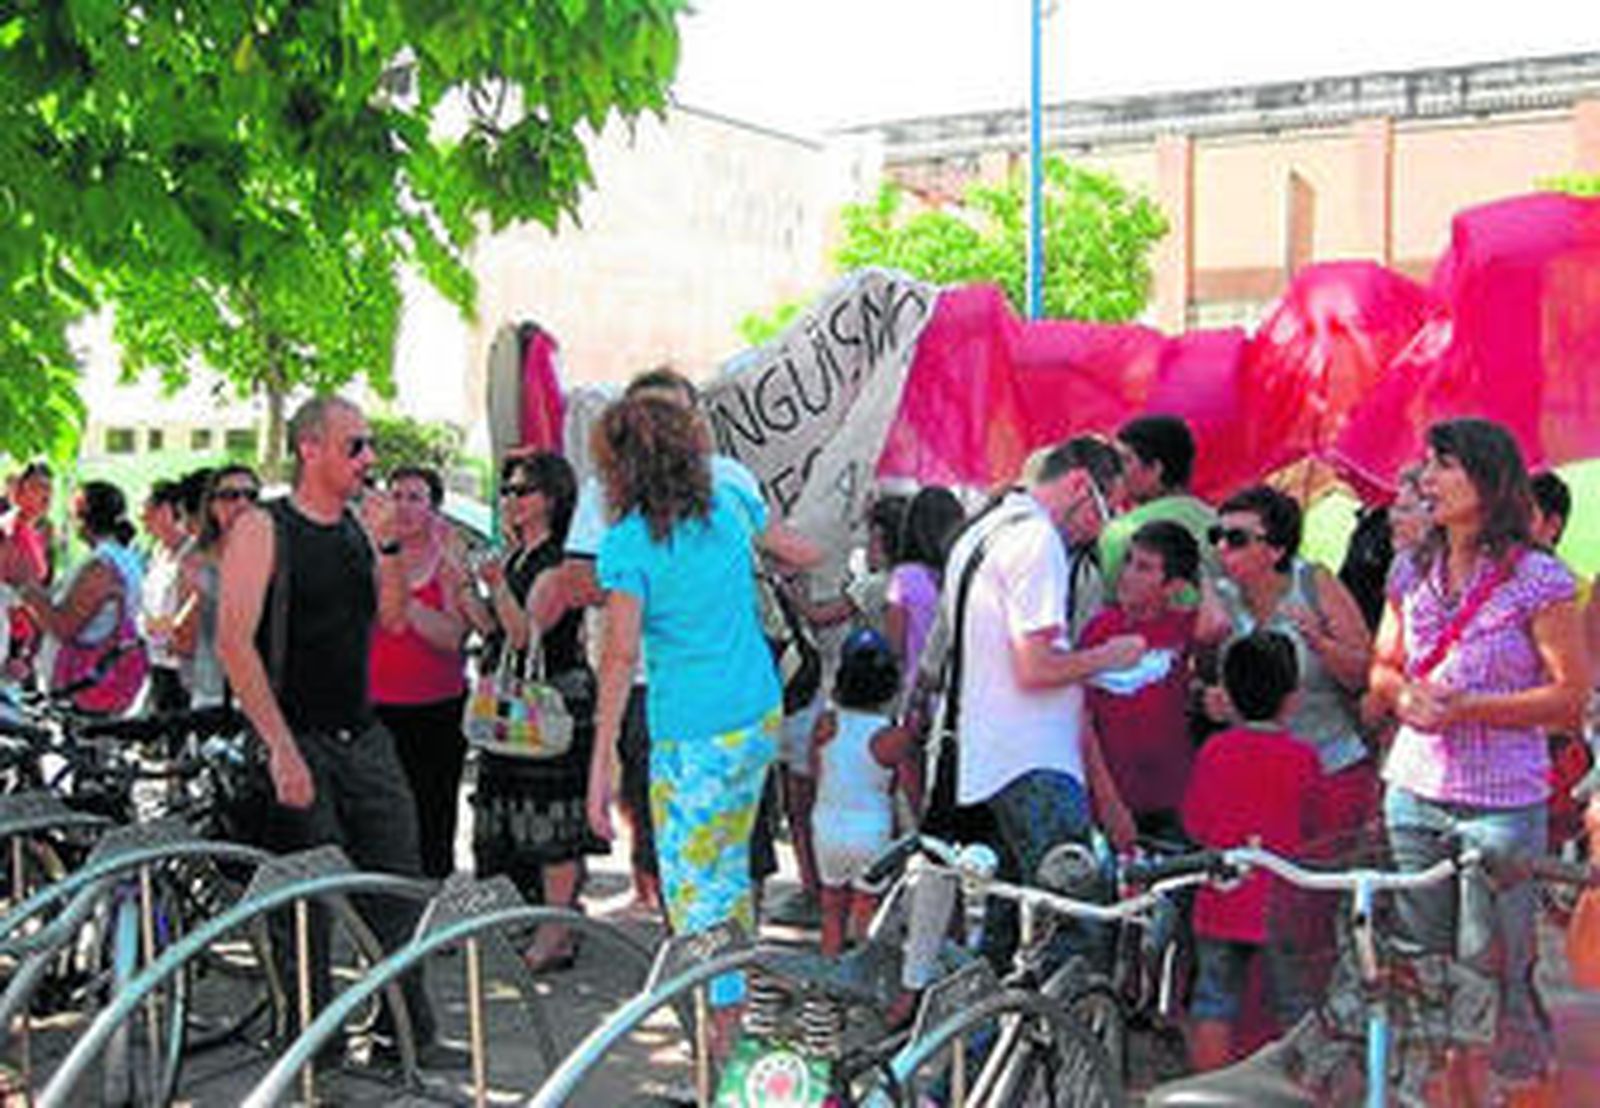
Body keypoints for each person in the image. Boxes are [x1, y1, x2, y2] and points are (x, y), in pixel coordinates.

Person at [216, 394, 463, 1070]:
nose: (369, 458)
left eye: (369, 444)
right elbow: (234, 643)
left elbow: (391, 619)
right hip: (296, 737)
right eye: (355, 445)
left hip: (363, 732)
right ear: (311, 449)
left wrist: (386, 543)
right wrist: (280, 746)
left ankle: (403, 1032)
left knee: (397, 883)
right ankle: (311, 1046)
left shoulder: (360, 528)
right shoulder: (264, 527)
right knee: (308, 904)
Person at [1367, 418, 1589, 1088]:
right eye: (1425, 465)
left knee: (1490, 966)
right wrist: (1402, 697)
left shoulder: (1540, 580)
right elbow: (1383, 666)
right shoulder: (1412, 571)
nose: (1426, 480)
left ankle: (1501, 1090)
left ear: (1488, 481)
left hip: (1502, 803)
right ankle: (1440, 1092)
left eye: (1443, 466)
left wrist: (1468, 709)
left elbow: (1569, 699)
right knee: (1423, 967)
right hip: (1414, 793)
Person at [585, 393, 783, 1047]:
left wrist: (602, 761)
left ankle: (724, 1044)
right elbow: (792, 546)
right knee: (727, 877)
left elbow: (618, 657)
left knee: (696, 890)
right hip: (753, 718)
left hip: (694, 734)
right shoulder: (728, 510)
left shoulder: (629, 544)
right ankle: (734, 1020)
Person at [940, 436, 1144, 968]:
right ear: (1079, 485)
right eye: (1106, 507)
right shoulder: (1038, 543)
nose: (1103, 527)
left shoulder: (988, 529)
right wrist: (1108, 656)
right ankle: (1059, 1044)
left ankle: (985, 1039)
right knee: (1072, 925)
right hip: (1032, 759)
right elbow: (1035, 667)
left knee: (1008, 927)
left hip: (995, 754)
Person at [463, 451, 598, 971]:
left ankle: (556, 931)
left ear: (552, 498)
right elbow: (494, 631)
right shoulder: (519, 556)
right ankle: (551, 923)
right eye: (508, 490)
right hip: (512, 706)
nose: (511, 499)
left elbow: (526, 634)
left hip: (550, 704)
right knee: (517, 816)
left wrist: (495, 585)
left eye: (523, 490)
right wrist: (465, 587)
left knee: (552, 824)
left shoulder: (558, 563)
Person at [1198, 484, 1377, 858]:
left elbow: (1364, 674)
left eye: (1237, 538)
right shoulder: (1219, 597)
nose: (1222, 548)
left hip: (1331, 766)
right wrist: (1210, 697)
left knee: (1319, 895)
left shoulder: (1313, 584)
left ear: (1277, 549)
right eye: (1217, 536)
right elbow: (1195, 673)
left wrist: (1320, 644)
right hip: (1256, 774)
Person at [1182, 630, 1324, 1071]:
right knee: (1296, 1009)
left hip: (1222, 898)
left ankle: (1208, 1092)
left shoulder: (1214, 751)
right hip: (1282, 902)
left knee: (1213, 1001)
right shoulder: (1302, 758)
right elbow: (1315, 832)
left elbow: (1195, 824)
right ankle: (1298, 1092)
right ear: (1293, 698)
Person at [368, 466, 470, 882]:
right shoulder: (370, 554)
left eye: (415, 497)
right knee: (380, 817)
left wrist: (402, 599)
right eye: (397, 496)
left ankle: (433, 905)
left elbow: (453, 637)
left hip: (436, 707)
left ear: (434, 508)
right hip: (376, 707)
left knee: (434, 813)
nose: (404, 507)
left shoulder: (447, 558)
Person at [1081, 520, 1201, 843]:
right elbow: (1083, 722)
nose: (1128, 575)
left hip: (1171, 798)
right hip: (1111, 798)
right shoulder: (1099, 630)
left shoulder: (1183, 627)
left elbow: (1217, 624)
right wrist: (1108, 801)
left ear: (1173, 585)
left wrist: (1200, 575)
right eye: (1129, 562)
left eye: (1144, 568)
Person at [810, 628, 920, 957]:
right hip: (871, 831)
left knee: (831, 910)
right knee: (868, 915)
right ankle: (864, 988)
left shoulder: (826, 724)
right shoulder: (894, 738)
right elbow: (912, 794)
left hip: (827, 824)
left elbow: (818, 774)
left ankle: (826, 987)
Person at [6, 481, 147, 714]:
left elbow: (64, 626)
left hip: (84, 686)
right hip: (94, 681)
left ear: (83, 516)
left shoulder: (101, 565)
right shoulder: (121, 557)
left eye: (73, 511)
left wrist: (26, 586)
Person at [1099, 414, 1219, 604]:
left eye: (1124, 460)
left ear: (1155, 469)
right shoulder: (1219, 522)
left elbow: (1104, 602)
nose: (1115, 470)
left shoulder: (1122, 531)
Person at [178, 466, 259, 708]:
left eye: (251, 496)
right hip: (211, 691)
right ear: (212, 504)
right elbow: (183, 638)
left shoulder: (277, 552)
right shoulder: (195, 557)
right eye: (230, 495)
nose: (243, 503)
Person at [140, 480, 194, 712]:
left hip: (183, 669)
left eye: (145, 508)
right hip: (156, 660)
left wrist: (166, 627)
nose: (140, 516)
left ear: (165, 511)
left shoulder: (193, 554)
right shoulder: (156, 552)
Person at [4, 462, 54, 680]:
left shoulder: (35, 532)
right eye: (37, 488)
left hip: (23, 643)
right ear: (18, 492)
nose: (46, 496)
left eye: (49, 489)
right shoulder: (6, 532)